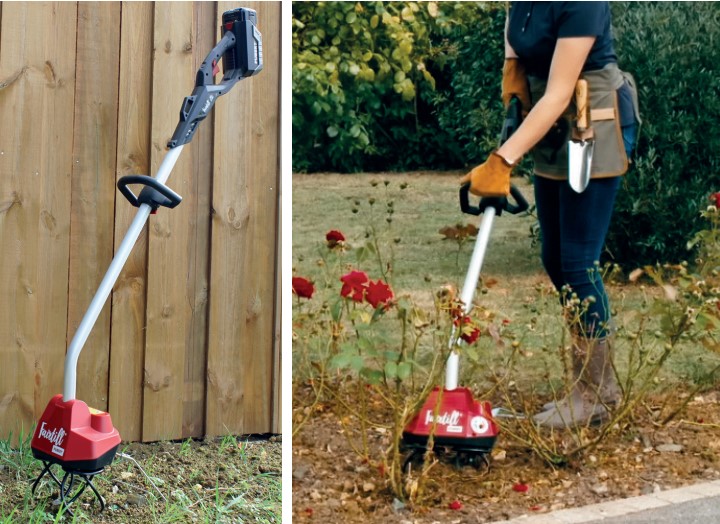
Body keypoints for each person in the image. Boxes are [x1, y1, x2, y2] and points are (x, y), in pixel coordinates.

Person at [460, 2, 640, 429]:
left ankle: (593, 395)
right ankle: (593, 385)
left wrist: (502, 160)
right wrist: (513, 79)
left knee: (578, 263)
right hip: (552, 126)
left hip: (591, 122)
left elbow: (560, 90)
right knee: (555, 259)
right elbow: (515, 47)